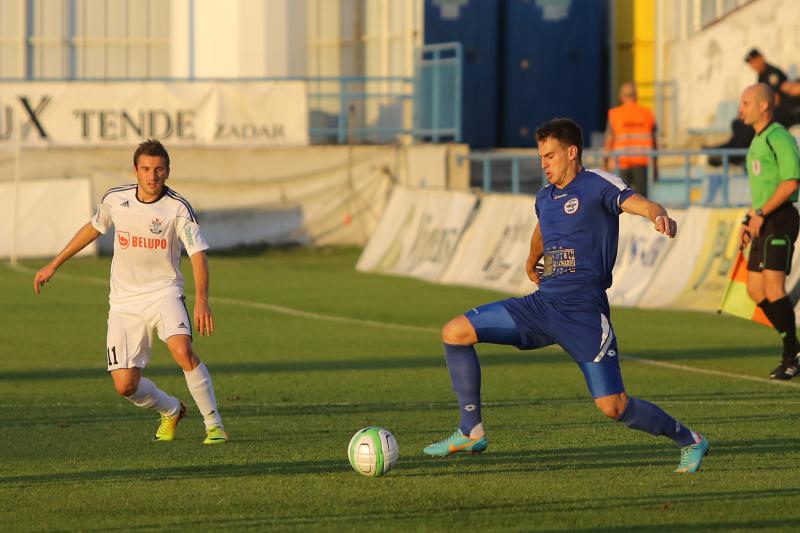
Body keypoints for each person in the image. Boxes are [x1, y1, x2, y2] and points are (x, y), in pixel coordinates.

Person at [423, 118, 709, 473]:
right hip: (541, 306)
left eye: (550, 155)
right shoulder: (545, 197)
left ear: (572, 152)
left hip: (583, 312)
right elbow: (542, 231)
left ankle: (689, 439)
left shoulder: (597, 184)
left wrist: (658, 215)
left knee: (613, 407)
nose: (544, 163)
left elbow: (639, 202)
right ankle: (471, 430)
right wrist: (531, 262)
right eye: (541, 156)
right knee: (455, 332)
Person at [33, 139, 228, 444]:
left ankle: (213, 424)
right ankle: (172, 410)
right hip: (124, 302)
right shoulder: (115, 199)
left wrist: (202, 301)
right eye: (146, 169)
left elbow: (198, 256)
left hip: (164, 293)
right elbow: (93, 228)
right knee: (125, 385)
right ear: (136, 170)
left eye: (159, 169)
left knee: (181, 351)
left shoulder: (178, 208)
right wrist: (54, 263)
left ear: (167, 171)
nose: (153, 176)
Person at [737, 83, 800, 379]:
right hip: (763, 219)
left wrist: (761, 213)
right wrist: (748, 220)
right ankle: (794, 347)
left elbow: (790, 183)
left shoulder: (779, 137)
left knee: (774, 288)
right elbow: (762, 191)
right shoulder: (757, 140)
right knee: (754, 290)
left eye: (746, 102)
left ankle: (792, 355)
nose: (741, 109)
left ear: (764, 106)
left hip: (780, 219)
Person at [604, 82, 657, 196]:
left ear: (621, 96)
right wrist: (656, 166)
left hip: (621, 162)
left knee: (621, 200)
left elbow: (609, 140)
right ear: (636, 96)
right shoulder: (647, 113)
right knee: (642, 202)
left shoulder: (615, 114)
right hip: (642, 162)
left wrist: (605, 163)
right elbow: (654, 141)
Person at [745, 48, 800, 127]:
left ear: (761, 58)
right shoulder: (761, 76)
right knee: (739, 123)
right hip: (777, 112)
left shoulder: (772, 74)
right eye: (751, 64)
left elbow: (775, 100)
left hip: (781, 113)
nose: (753, 66)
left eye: (754, 62)